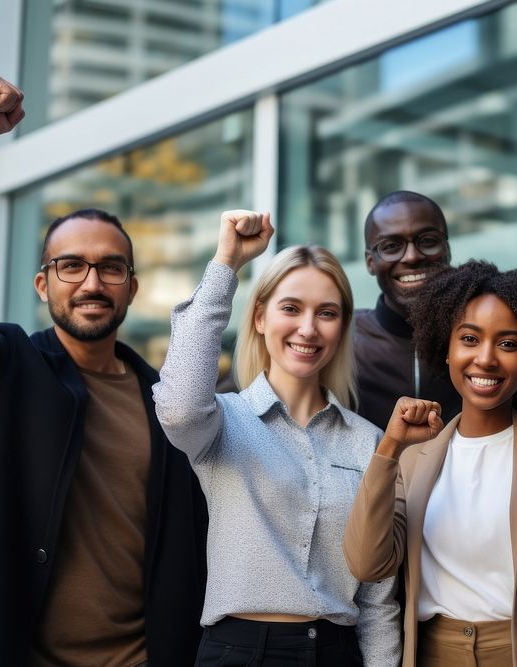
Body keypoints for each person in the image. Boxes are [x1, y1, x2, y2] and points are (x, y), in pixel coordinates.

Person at [0, 72, 207, 665]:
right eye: (71, 266)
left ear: (132, 289)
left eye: (111, 268)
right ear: (43, 283)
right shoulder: (4, 366)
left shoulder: (170, 403)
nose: (91, 282)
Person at [153, 210, 400, 666]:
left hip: (336, 652)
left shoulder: (368, 441)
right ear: (261, 318)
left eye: (326, 313)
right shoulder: (222, 423)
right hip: (240, 652)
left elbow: (378, 595)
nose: (308, 329)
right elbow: (179, 404)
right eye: (291, 308)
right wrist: (226, 263)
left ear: (342, 327)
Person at [344, 260, 517, 667]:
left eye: (507, 344)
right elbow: (367, 562)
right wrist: (390, 448)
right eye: (469, 339)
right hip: (439, 654)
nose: (485, 358)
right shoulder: (414, 460)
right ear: (446, 351)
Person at [354, 191, 461, 429]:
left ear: (447, 250)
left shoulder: (480, 337)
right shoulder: (342, 340)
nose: (412, 257)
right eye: (391, 246)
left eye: (428, 241)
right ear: (370, 262)